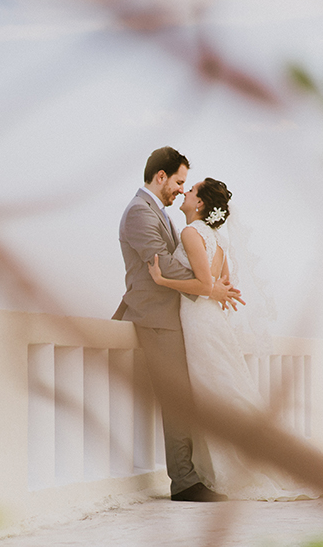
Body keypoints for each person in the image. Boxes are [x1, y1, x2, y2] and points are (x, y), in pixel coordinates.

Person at [148, 178, 311, 501]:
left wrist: (162, 279)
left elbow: (206, 285)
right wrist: (218, 290)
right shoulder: (218, 241)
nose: (185, 193)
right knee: (225, 390)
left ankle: (234, 468)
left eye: (191, 191)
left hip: (199, 323)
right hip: (209, 322)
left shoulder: (191, 233)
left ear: (201, 204)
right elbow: (222, 285)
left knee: (214, 392)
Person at [113, 147, 242, 503]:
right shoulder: (140, 212)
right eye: (179, 182)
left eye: (186, 185)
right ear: (161, 177)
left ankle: (192, 474)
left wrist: (208, 284)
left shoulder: (160, 213)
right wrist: (209, 285)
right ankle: (184, 481)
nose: (181, 190)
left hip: (175, 316)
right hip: (156, 317)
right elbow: (163, 265)